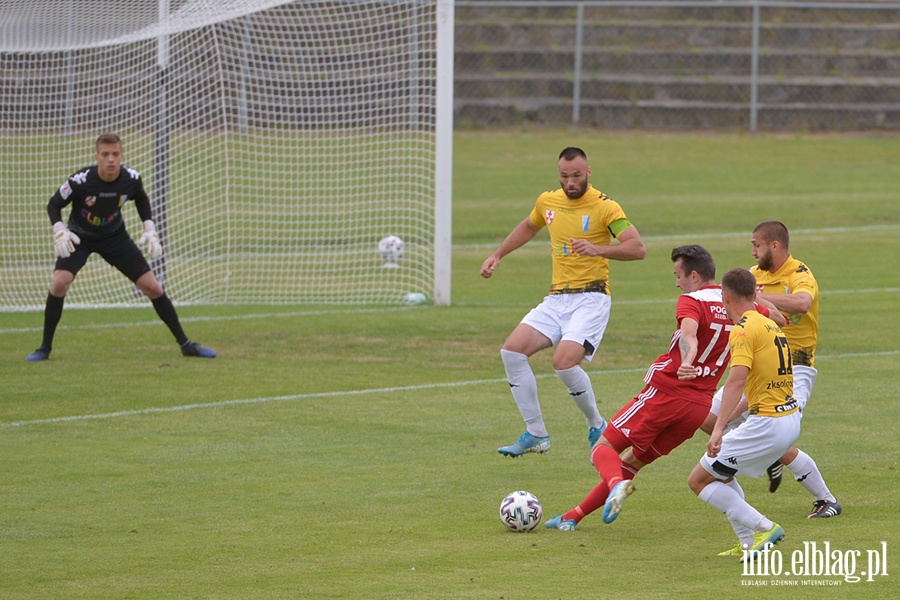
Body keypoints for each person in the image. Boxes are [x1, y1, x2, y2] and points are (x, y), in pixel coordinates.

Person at [544, 245, 786, 530]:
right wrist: (759, 300)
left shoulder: (692, 301)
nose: (677, 282)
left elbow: (689, 334)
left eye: (678, 275)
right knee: (632, 462)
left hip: (667, 392)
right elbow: (780, 319)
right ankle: (574, 516)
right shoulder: (742, 307)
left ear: (694, 276)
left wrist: (687, 359)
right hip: (698, 409)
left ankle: (615, 485)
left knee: (602, 448)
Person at [480, 147, 646, 457]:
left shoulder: (605, 207)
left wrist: (598, 249)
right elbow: (530, 225)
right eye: (565, 176)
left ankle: (596, 424)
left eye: (577, 176)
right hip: (557, 298)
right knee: (512, 352)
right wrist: (497, 254)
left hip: (592, 298)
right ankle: (536, 433)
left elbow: (637, 248)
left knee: (563, 361)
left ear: (589, 173)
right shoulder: (548, 201)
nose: (571, 182)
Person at [25, 133, 216, 362]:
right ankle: (44, 348)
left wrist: (149, 228)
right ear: (97, 156)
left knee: (153, 287)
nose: (111, 159)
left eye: (115, 154)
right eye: (105, 154)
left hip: (115, 238)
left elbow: (141, 199)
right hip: (80, 237)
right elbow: (54, 204)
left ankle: (186, 344)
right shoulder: (80, 180)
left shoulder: (131, 178)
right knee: (59, 283)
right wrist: (59, 229)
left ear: (122, 155)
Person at [701, 221, 840, 519]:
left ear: (774, 246)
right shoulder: (754, 275)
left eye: (756, 245)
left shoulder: (798, 273)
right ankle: (764, 457)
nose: (752, 252)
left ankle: (826, 498)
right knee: (709, 417)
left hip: (795, 366)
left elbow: (802, 304)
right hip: (757, 361)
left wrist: (754, 298)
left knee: (781, 436)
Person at [688, 267, 801, 561]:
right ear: (754, 294)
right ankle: (748, 542)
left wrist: (718, 428)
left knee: (698, 481)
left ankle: (766, 527)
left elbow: (736, 381)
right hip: (788, 419)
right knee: (722, 474)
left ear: (726, 296)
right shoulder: (770, 325)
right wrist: (727, 425)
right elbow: (755, 389)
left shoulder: (741, 329)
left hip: (768, 424)